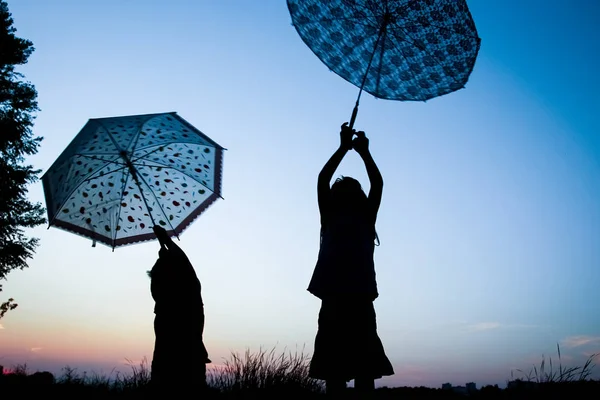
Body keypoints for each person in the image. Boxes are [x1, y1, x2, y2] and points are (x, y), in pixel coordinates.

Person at [307, 122, 394, 395]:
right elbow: (374, 183)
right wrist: (355, 150)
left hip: (344, 297)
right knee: (356, 368)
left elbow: (324, 180)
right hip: (351, 297)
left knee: (348, 369)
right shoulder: (346, 217)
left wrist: (350, 149)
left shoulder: (346, 217)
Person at [148, 225, 210, 391]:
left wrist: (166, 245)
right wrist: (167, 241)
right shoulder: (189, 295)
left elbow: (182, 263)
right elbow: (184, 263)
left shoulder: (164, 304)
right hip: (186, 363)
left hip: (171, 366)